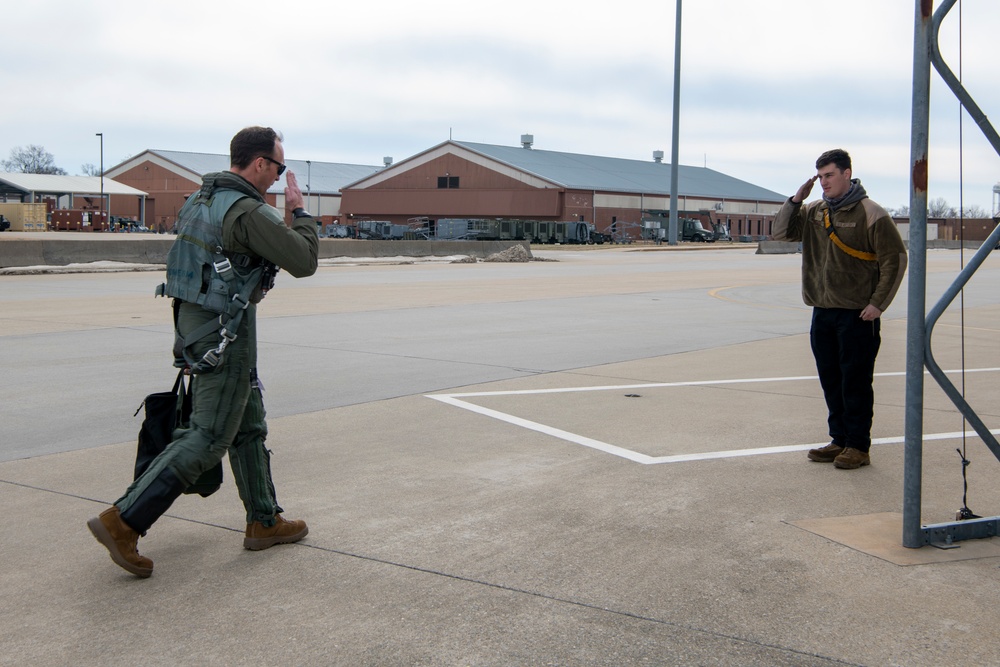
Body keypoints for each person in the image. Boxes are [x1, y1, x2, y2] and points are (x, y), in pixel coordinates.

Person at [87, 126, 319, 577]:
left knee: (248, 424)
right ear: (258, 164)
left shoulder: (203, 198)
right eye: (278, 167)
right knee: (210, 434)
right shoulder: (246, 210)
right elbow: (304, 261)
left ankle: (263, 520)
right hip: (224, 331)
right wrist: (299, 211)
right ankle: (124, 520)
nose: (278, 176)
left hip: (201, 322)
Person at [772, 149, 906, 469]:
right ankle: (839, 440)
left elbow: (895, 259)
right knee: (831, 379)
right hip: (823, 309)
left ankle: (858, 446)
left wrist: (878, 303)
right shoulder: (815, 211)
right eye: (819, 177)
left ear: (847, 173)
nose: (823, 182)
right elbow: (780, 234)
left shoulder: (870, 212)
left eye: (829, 175)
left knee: (855, 381)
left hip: (858, 313)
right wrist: (795, 202)